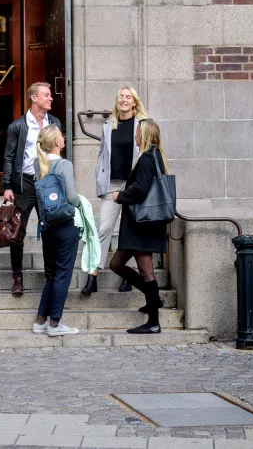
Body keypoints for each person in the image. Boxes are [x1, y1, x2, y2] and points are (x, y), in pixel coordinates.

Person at [83, 86, 149, 295]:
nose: (123, 100)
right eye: (120, 96)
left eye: (128, 97)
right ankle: (93, 276)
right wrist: (99, 176)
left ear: (134, 103)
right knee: (103, 229)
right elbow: (103, 153)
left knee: (130, 233)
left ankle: (126, 275)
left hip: (133, 187)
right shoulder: (108, 124)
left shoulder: (143, 125)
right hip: (111, 185)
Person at [109, 119, 169, 335]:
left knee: (146, 270)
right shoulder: (155, 156)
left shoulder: (146, 158)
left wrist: (120, 196)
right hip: (141, 225)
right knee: (116, 264)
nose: (134, 135)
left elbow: (141, 190)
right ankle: (154, 299)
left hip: (141, 224)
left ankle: (153, 322)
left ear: (143, 135)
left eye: (137, 132)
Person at [2, 82, 61, 295]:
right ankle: (17, 277)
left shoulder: (54, 123)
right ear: (34, 98)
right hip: (24, 183)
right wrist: (7, 185)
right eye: (46, 95)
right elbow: (9, 157)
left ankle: (50, 276)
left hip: (47, 182)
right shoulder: (17, 126)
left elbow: (58, 154)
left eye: (50, 95)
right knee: (17, 231)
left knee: (50, 229)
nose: (51, 98)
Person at [31, 125, 80, 337]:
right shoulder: (64, 164)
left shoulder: (37, 163)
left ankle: (41, 320)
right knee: (63, 274)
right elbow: (71, 197)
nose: (63, 136)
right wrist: (82, 202)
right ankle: (55, 322)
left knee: (52, 274)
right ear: (58, 143)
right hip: (65, 225)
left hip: (47, 225)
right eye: (61, 134)